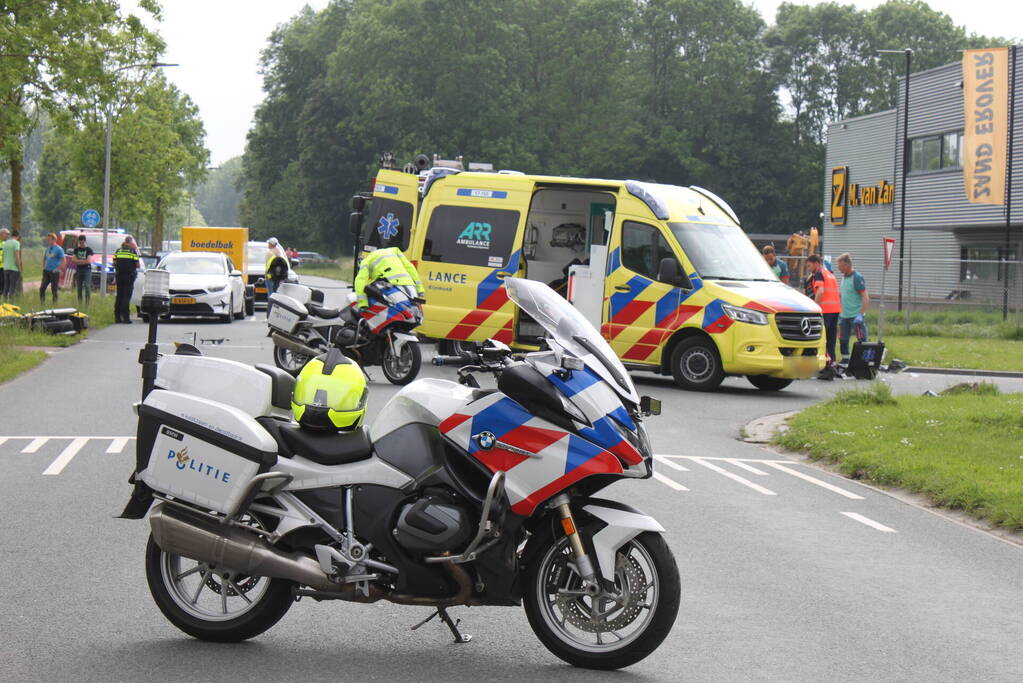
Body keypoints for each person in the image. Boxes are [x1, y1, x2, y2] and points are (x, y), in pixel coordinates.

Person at [353, 246, 424, 309]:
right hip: (410, 285)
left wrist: (363, 303)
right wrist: (420, 289)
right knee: (414, 312)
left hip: (391, 286)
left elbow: (360, 281)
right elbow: (410, 268)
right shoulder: (395, 251)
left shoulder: (366, 261)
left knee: (397, 311)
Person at [806, 254, 841, 379]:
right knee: (831, 340)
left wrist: (815, 308)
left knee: (822, 340)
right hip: (835, 310)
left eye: (809, 266)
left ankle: (826, 368)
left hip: (825, 311)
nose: (809, 269)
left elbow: (820, 291)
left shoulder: (819, 274)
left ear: (816, 263)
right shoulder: (830, 274)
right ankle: (832, 365)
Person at [836, 253, 870, 361]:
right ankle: (845, 360)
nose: (838, 268)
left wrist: (861, 314)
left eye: (840, 266)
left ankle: (864, 361)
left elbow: (866, 297)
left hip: (855, 317)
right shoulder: (843, 277)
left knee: (862, 339)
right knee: (843, 340)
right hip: (844, 316)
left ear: (847, 265)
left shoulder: (857, 277)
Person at [113, 237, 139, 323]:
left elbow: (114, 263)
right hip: (129, 276)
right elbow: (137, 265)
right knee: (126, 297)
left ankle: (117, 317)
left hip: (119, 275)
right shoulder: (132, 252)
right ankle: (126, 318)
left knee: (119, 296)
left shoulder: (118, 251)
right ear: (130, 243)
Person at [265, 237, 290, 315]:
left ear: (271, 244)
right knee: (277, 294)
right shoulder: (280, 252)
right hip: (278, 277)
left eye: (269, 243)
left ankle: (270, 313)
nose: (268, 244)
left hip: (270, 276)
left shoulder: (269, 253)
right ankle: (277, 312)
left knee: (271, 294)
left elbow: (267, 266)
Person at [39, 233, 65, 304]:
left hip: (54, 272)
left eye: (49, 239)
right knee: (42, 288)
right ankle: (42, 303)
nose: (48, 241)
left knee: (54, 290)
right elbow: (45, 258)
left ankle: (54, 304)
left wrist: (57, 269)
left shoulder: (59, 249)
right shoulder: (48, 248)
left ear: (54, 240)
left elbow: (63, 262)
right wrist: (44, 266)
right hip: (47, 271)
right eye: (47, 239)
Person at [72, 235, 94, 304]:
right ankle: (80, 302)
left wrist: (78, 261)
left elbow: (88, 261)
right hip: (79, 270)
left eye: (82, 242)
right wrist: (83, 261)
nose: (81, 243)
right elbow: (73, 260)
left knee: (87, 286)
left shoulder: (89, 250)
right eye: (80, 242)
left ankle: (87, 302)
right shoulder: (76, 250)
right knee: (79, 287)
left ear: (85, 241)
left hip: (87, 270)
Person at [1, 228, 23, 300]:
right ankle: (11, 303)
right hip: (13, 268)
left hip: (5, 268)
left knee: (6, 286)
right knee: (12, 287)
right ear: (18, 236)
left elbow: (3, 256)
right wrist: (19, 268)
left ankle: (4, 301)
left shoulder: (6, 243)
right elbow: (17, 257)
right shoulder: (16, 243)